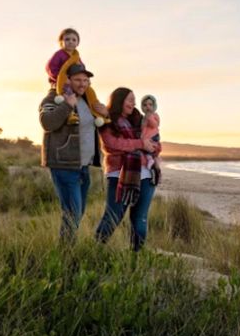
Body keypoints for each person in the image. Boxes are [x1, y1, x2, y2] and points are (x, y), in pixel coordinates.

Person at [39, 63, 102, 247]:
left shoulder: (86, 101)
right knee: (72, 212)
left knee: (78, 212)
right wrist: (67, 105)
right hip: (64, 164)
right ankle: (66, 254)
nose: (82, 84)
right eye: (77, 80)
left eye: (85, 80)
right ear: (67, 80)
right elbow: (47, 122)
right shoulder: (54, 98)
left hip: (83, 165)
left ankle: (66, 249)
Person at [95, 87, 159, 251]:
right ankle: (95, 250)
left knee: (140, 219)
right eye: (130, 99)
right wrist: (140, 144)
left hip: (146, 174)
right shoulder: (107, 121)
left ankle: (136, 256)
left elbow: (154, 142)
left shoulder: (139, 120)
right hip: (119, 174)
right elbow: (113, 144)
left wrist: (154, 147)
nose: (134, 103)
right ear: (120, 100)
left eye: (134, 100)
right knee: (113, 217)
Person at [46, 27, 109, 125]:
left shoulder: (77, 57)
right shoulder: (59, 54)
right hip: (60, 83)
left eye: (74, 40)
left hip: (70, 83)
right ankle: (71, 115)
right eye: (67, 39)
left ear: (78, 43)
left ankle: (98, 115)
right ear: (61, 42)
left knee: (91, 94)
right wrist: (62, 78)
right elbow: (50, 67)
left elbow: (82, 68)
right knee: (68, 95)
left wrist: (87, 80)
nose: (70, 42)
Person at [140, 94, 162, 184]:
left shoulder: (155, 115)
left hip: (153, 136)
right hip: (146, 137)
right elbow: (142, 128)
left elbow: (155, 125)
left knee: (150, 150)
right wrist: (144, 120)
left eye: (150, 104)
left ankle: (151, 161)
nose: (148, 107)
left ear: (154, 106)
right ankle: (154, 167)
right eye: (145, 105)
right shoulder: (143, 117)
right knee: (145, 150)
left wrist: (149, 117)